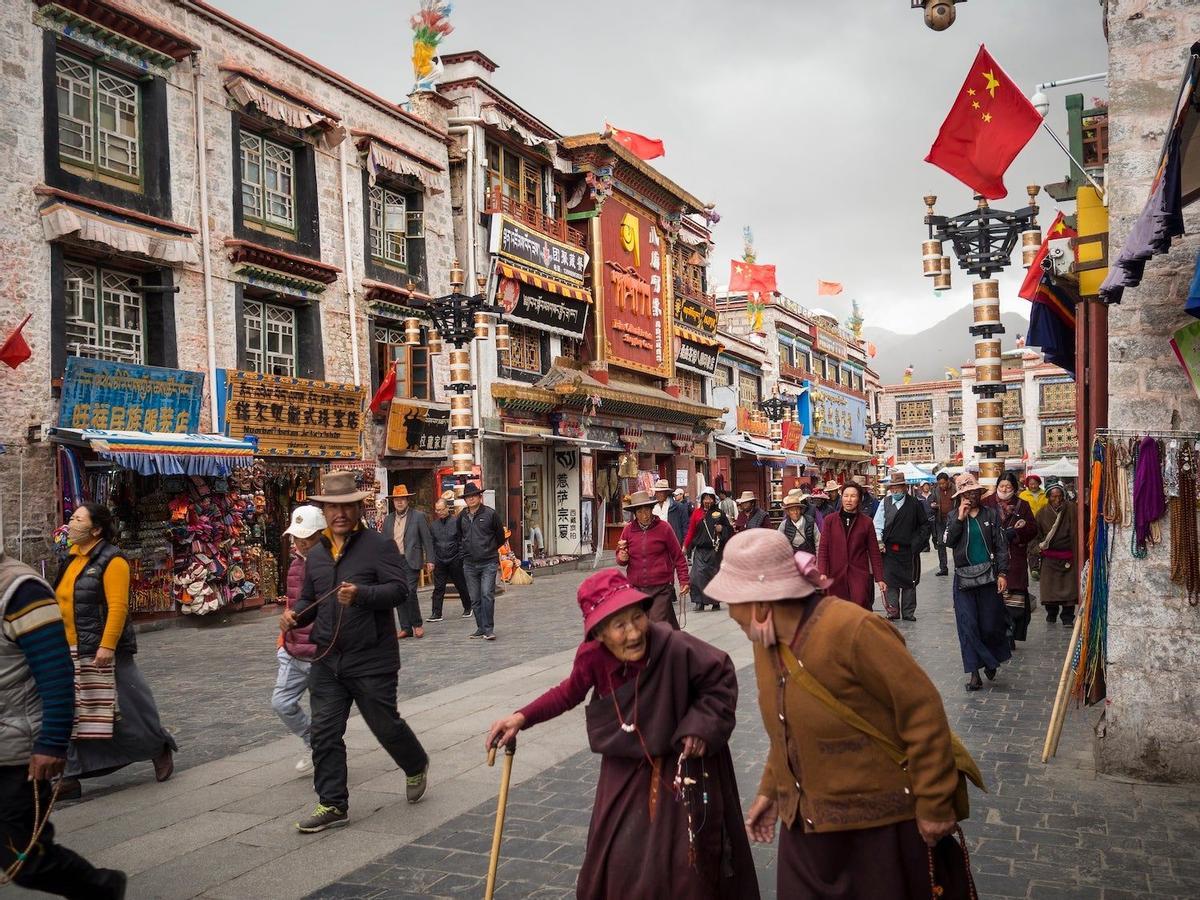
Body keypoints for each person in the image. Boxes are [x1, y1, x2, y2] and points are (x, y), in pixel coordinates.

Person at [705, 531, 973, 899]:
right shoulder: (767, 643)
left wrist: (934, 803)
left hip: (875, 832)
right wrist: (772, 790)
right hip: (807, 833)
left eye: (733, 601)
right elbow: (787, 727)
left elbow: (921, 712)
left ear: (762, 603)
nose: (730, 612)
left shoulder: (854, 629)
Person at [485, 569, 760, 899]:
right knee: (618, 853)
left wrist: (700, 726)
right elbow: (568, 692)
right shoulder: (592, 658)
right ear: (599, 633)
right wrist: (520, 718)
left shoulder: (672, 644)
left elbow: (720, 679)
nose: (633, 633)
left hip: (680, 763)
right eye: (619, 625)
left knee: (684, 863)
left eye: (637, 618)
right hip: (626, 765)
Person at [282, 471, 430, 832]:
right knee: (324, 732)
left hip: (371, 658)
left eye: (347, 506)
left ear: (359, 507)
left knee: (384, 724)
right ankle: (332, 803)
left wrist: (362, 595)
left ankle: (414, 763)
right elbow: (310, 599)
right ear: (324, 510)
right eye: (333, 507)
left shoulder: (379, 546)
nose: (340, 514)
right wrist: (295, 615)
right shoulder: (316, 554)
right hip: (327, 659)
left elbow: (400, 591)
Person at [0, 549, 128, 897]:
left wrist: (52, 743)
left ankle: (102, 889)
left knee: (26, 859)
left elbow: (55, 672)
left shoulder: (19, 588)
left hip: (16, 751)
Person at [53, 503, 176, 800]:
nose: (70, 523)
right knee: (66, 713)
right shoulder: (70, 560)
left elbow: (118, 607)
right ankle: (68, 775)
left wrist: (107, 645)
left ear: (96, 529)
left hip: (101, 650)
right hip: (68, 649)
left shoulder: (113, 561)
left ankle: (156, 746)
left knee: (127, 710)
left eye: (77, 519)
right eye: (71, 518)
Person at [944, 474, 1012, 691]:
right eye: (966, 493)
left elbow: (1001, 545)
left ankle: (991, 659)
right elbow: (948, 541)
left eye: (974, 492)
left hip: (988, 576)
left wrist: (1002, 573)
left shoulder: (991, 514)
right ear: (960, 496)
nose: (971, 496)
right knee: (968, 625)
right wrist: (959, 519)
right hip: (964, 578)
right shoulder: (954, 515)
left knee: (990, 625)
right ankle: (974, 673)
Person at [274, 505, 326, 774]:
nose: (301, 543)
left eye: (307, 537)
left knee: (325, 713)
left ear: (320, 534)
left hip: (320, 651)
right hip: (293, 649)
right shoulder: (294, 565)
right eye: (297, 537)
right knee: (281, 702)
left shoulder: (330, 563)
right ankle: (313, 742)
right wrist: (284, 634)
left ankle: (326, 757)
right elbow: (293, 603)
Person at [616, 490, 689, 628]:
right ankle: (673, 645)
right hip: (636, 588)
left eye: (647, 510)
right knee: (642, 626)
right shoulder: (628, 530)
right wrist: (622, 557)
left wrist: (684, 580)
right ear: (635, 514)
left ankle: (662, 646)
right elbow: (620, 557)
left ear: (651, 509)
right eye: (640, 512)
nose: (644, 515)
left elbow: (678, 557)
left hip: (661, 588)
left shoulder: (664, 528)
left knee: (656, 624)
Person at [817, 482, 885, 610]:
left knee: (859, 608)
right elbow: (823, 549)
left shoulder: (866, 522)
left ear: (859, 499)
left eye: (853, 496)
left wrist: (879, 578)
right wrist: (822, 572)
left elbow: (874, 552)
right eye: (846, 496)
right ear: (841, 497)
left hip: (859, 573)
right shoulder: (830, 521)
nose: (849, 500)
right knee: (838, 613)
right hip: (835, 575)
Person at [873, 472, 931, 622]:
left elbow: (924, 525)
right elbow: (877, 524)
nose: (896, 491)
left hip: (909, 550)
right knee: (890, 581)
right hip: (890, 550)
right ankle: (893, 611)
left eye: (898, 487)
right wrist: (879, 542)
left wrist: (917, 543)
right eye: (893, 488)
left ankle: (908, 612)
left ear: (905, 488)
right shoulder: (884, 503)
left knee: (910, 582)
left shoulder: (915, 503)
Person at [989, 473, 1038, 648]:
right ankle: (998, 633)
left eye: (1008, 487)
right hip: (992, 557)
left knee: (1014, 599)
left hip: (1014, 557)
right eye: (1002, 486)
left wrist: (1017, 534)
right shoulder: (988, 503)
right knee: (994, 597)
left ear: (1014, 488)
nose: (1004, 490)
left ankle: (1010, 632)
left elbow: (1033, 529)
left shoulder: (1022, 505)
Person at [381, 485, 436, 639]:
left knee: (410, 591)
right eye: (397, 500)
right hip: (394, 561)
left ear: (407, 501)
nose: (399, 502)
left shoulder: (418, 516)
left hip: (411, 558)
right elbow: (384, 542)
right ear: (393, 502)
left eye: (402, 499)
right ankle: (405, 627)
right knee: (398, 593)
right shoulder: (388, 519)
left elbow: (427, 539)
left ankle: (417, 624)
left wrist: (430, 559)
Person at [457, 482, 507, 641]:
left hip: (488, 562)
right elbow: (459, 537)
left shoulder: (490, 514)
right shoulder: (462, 517)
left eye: (473, 496)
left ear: (480, 497)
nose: (471, 499)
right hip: (469, 563)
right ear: (465, 500)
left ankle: (488, 628)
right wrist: (463, 554)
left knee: (487, 594)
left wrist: (489, 549)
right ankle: (480, 627)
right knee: (475, 598)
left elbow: (500, 537)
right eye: (467, 497)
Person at [682, 486, 733, 613]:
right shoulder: (696, 513)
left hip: (715, 550)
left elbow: (729, 529)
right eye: (706, 498)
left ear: (714, 500)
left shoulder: (720, 513)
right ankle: (699, 602)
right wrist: (685, 546)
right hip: (699, 550)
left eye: (710, 498)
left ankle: (715, 602)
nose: (708, 501)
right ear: (702, 499)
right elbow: (691, 532)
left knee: (713, 576)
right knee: (696, 576)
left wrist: (722, 529)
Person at [1035, 482, 1078, 627]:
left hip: (1068, 557)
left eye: (1059, 496)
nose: (1057, 500)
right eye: (1053, 497)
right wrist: (1036, 551)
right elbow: (1036, 536)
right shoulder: (1042, 514)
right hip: (1050, 558)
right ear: (1048, 497)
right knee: (1049, 589)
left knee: (1070, 590)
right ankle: (1051, 614)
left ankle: (1067, 618)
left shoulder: (1072, 510)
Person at [428, 498, 472, 622]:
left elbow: (462, 540)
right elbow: (431, 543)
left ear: (447, 508)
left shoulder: (457, 522)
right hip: (440, 560)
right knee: (438, 588)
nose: (440, 512)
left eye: (442, 509)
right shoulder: (433, 525)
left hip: (455, 559)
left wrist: (460, 556)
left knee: (461, 585)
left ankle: (468, 607)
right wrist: (432, 560)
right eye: (437, 510)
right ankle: (436, 613)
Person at [1020, 474, 1048, 582]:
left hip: (1044, 523)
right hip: (1030, 524)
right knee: (1032, 545)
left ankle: (1044, 568)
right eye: (1030, 484)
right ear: (1027, 484)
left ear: (1039, 483)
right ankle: (1034, 569)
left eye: (1035, 483)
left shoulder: (1045, 493)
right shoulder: (1023, 495)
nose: (1033, 485)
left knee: (1045, 545)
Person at [651, 478, 690, 545]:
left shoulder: (678, 507)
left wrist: (684, 544)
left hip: (673, 542)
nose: (658, 494)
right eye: (657, 492)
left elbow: (685, 527)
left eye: (661, 492)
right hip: (656, 542)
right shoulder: (652, 507)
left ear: (666, 493)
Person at [931, 472, 955, 576]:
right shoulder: (936, 490)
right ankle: (943, 568)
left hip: (953, 520)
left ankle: (958, 566)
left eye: (943, 483)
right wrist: (933, 505)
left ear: (948, 481)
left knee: (956, 543)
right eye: (939, 484)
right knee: (940, 544)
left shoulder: (955, 489)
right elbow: (933, 500)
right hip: (940, 520)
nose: (941, 486)